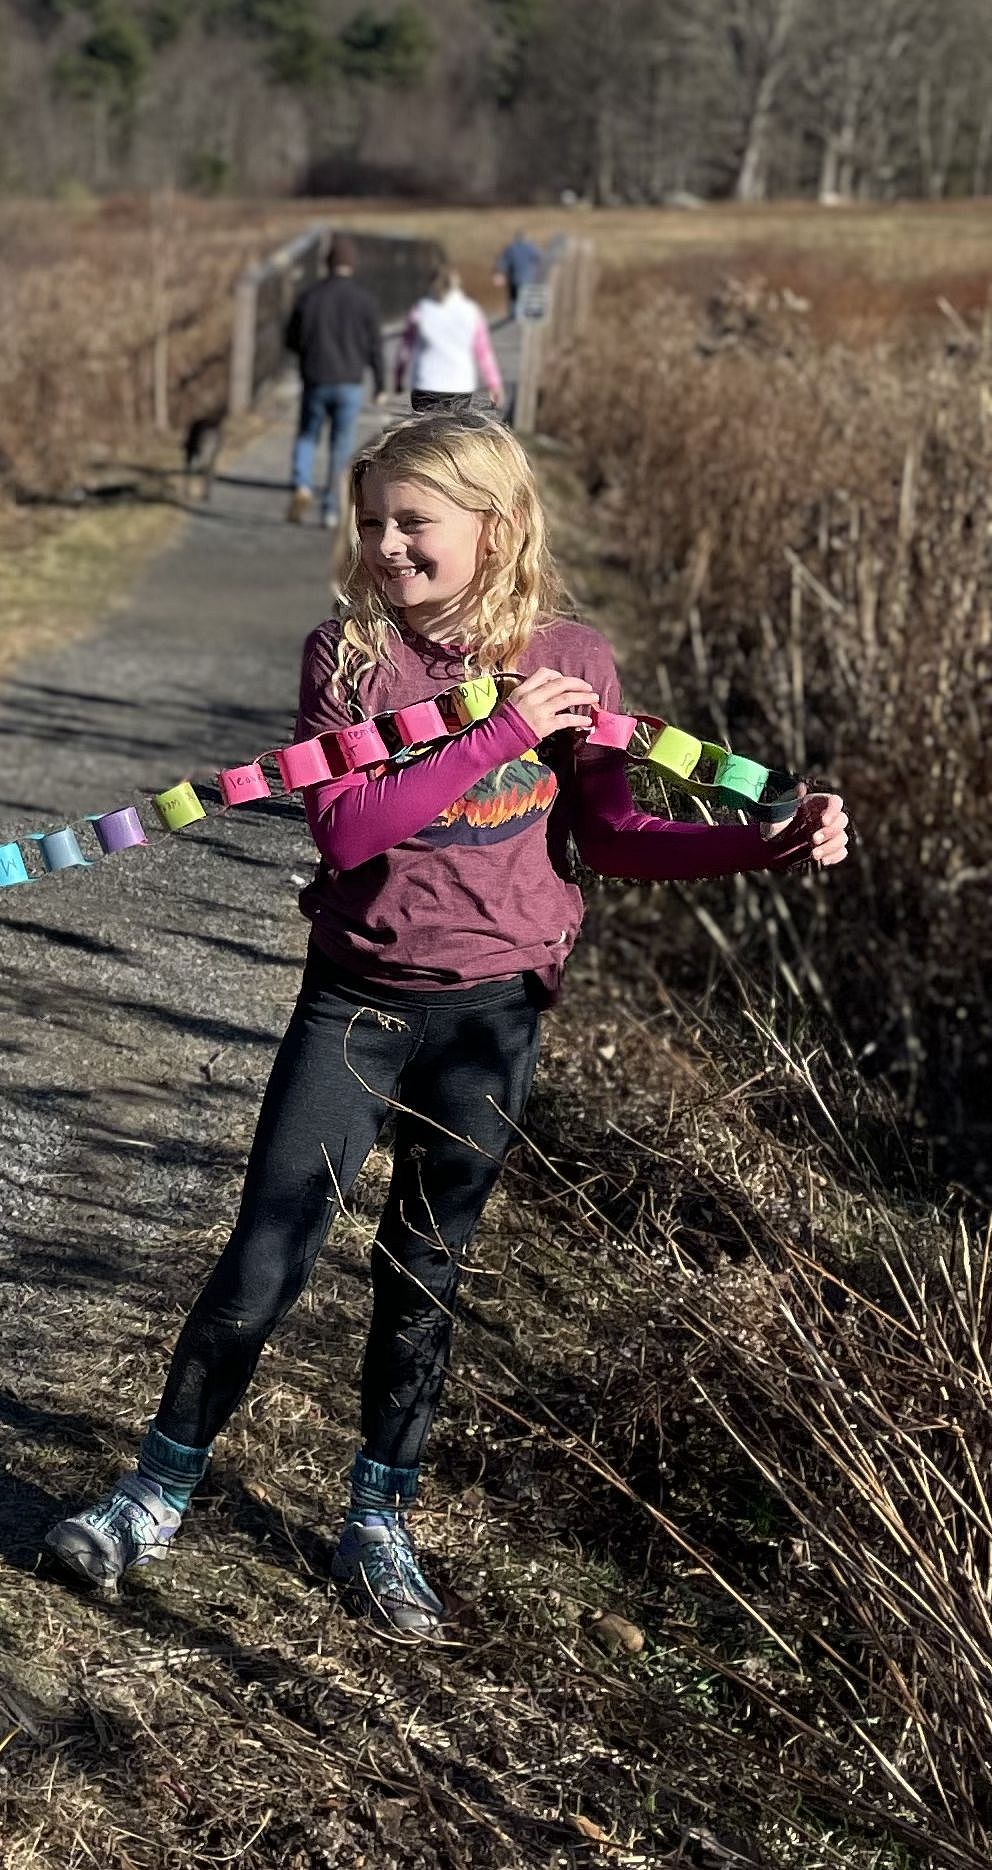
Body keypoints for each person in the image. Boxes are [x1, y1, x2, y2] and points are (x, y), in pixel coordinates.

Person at [43, 413, 849, 1642]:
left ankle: (379, 1517)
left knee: (424, 1270)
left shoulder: (572, 657)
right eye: (371, 522)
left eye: (413, 522)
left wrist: (763, 840)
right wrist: (503, 731)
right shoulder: (349, 658)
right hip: (356, 1003)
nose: (386, 545)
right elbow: (349, 831)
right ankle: (153, 1494)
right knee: (265, 1258)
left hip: (493, 1014)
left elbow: (617, 835)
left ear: (497, 524)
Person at [283, 236, 386, 528]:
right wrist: (380, 383)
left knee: (307, 435)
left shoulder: (310, 296)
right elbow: (375, 346)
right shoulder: (365, 300)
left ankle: (301, 484)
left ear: (326, 263)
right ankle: (330, 508)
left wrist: (307, 354)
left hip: (316, 377)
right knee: (341, 445)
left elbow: (291, 339)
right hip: (350, 381)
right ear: (352, 264)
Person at [397, 267, 505, 416]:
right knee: (452, 434)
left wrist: (398, 376)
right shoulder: (471, 311)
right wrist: (494, 385)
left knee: (424, 434)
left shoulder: (420, 310)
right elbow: (484, 353)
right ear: (457, 284)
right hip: (459, 385)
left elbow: (405, 350)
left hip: (426, 383)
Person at [496, 230, 546, 321]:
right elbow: (540, 258)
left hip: (515, 279)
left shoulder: (510, 249)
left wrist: (500, 273)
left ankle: (514, 317)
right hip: (528, 279)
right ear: (525, 238)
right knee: (529, 299)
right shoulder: (531, 247)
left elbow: (503, 263)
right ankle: (529, 317)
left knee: (514, 298)